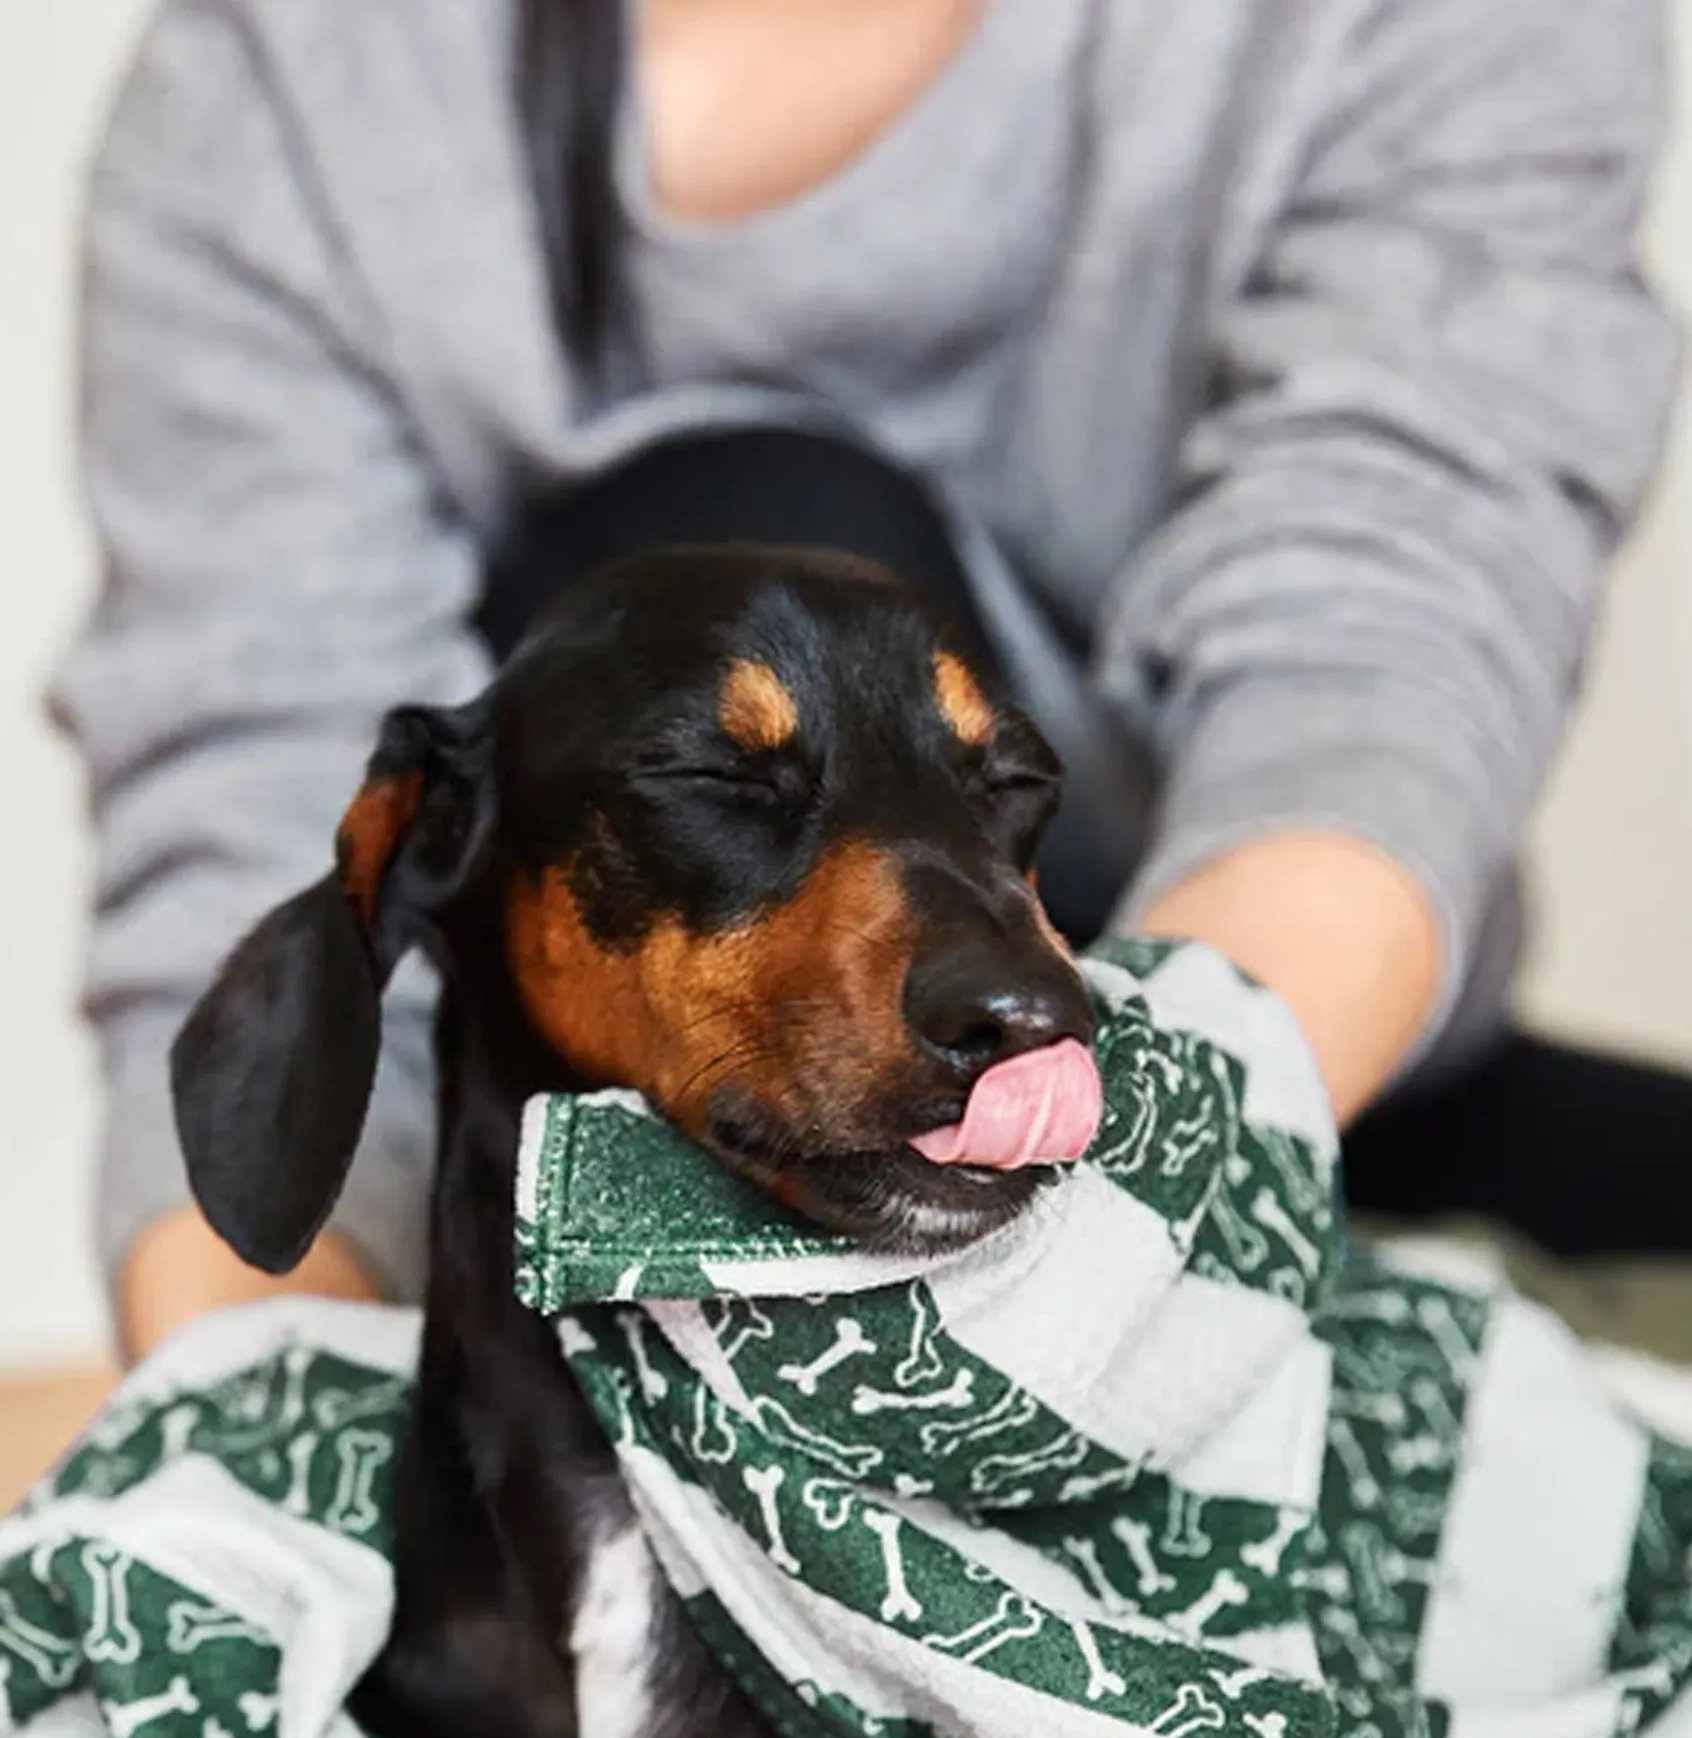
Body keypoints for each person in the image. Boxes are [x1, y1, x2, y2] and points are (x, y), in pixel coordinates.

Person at [59, 0, 1680, 1363]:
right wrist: (276, 1415)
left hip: (1267, 1043)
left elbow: (1381, 630)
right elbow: (259, 783)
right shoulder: (293, 81)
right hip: (651, 1153)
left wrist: (1135, 1188)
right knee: (738, 523)